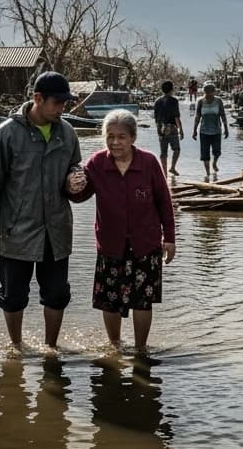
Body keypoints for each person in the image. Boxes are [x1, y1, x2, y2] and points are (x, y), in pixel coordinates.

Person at [0, 70, 87, 351]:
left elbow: (76, 168)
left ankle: (51, 348)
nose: (63, 108)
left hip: (56, 230)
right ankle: (17, 346)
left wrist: (75, 181)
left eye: (65, 103)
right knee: (13, 296)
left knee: (57, 294)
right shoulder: (7, 133)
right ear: (38, 98)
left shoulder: (67, 133)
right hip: (16, 229)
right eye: (57, 103)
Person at [71, 109, 176, 355]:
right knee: (110, 300)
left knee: (143, 300)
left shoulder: (148, 162)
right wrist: (72, 187)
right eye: (110, 136)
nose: (115, 142)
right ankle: (114, 347)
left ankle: (141, 349)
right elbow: (80, 195)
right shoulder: (97, 163)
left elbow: (164, 202)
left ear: (132, 138)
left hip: (145, 244)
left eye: (121, 137)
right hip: (111, 245)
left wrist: (169, 238)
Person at [192, 81, 229, 180]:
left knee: (217, 152)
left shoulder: (218, 101)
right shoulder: (200, 102)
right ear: (204, 92)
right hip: (204, 131)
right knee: (205, 154)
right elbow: (197, 117)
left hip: (216, 131)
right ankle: (208, 173)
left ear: (213, 92)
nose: (208, 94)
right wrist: (194, 130)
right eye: (206, 92)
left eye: (210, 92)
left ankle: (214, 163)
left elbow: (223, 115)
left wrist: (226, 128)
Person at [152, 79, 184, 175]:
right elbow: (176, 117)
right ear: (171, 89)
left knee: (163, 153)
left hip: (161, 128)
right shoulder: (174, 101)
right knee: (177, 149)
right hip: (172, 129)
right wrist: (181, 130)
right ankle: (172, 168)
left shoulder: (157, 101)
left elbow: (156, 118)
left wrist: (158, 129)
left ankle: (164, 173)